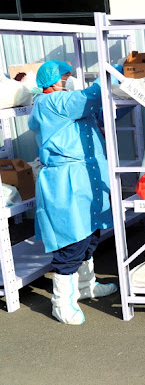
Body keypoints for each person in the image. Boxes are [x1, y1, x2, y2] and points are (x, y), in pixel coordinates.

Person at [29, 60, 118, 325]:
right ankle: (60, 302)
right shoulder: (50, 103)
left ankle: (86, 285)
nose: (70, 81)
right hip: (66, 180)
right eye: (66, 77)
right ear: (52, 80)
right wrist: (113, 74)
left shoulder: (67, 105)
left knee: (91, 235)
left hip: (84, 178)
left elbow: (97, 113)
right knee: (71, 241)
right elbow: (90, 97)